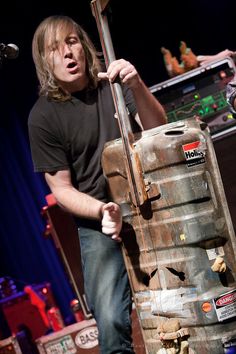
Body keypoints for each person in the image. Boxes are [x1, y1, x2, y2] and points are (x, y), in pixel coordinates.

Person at [28, 15, 167, 354]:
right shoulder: (43, 117)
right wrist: (102, 210)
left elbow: (157, 128)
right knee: (112, 323)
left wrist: (136, 85)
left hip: (146, 200)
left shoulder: (112, 84)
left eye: (72, 42)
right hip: (98, 221)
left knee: (177, 298)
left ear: (84, 46)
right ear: (44, 60)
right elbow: (61, 190)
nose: (67, 54)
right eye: (55, 49)